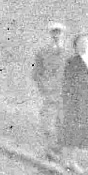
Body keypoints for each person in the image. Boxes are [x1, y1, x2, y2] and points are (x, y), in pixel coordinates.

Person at [58, 32, 88, 172]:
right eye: (81, 42)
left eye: (86, 42)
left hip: (86, 102)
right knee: (70, 130)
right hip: (74, 101)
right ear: (76, 46)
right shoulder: (72, 61)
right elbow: (67, 83)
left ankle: (73, 160)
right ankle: (67, 160)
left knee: (80, 132)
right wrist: (69, 100)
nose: (84, 45)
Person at [31, 21, 69, 161]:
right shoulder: (42, 53)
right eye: (53, 32)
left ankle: (58, 152)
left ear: (63, 34)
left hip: (65, 94)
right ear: (49, 34)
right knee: (48, 123)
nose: (56, 35)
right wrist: (44, 88)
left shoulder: (68, 53)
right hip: (49, 93)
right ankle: (48, 150)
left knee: (62, 122)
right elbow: (36, 74)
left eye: (59, 32)